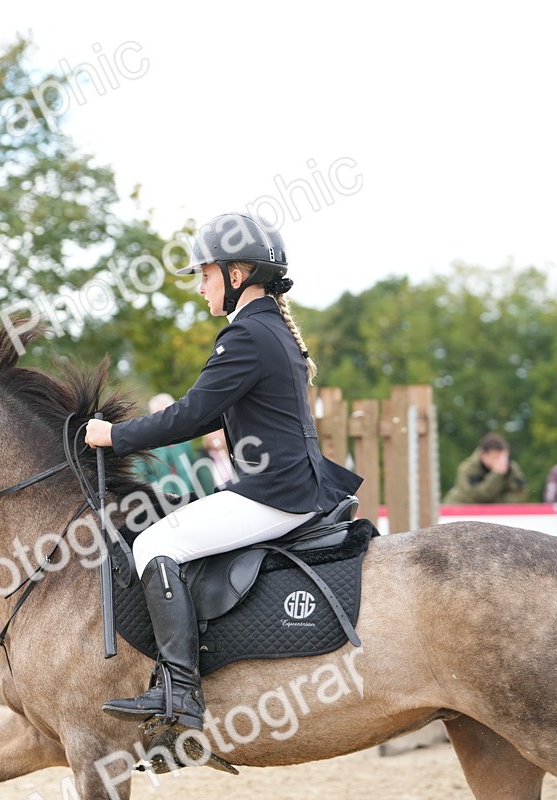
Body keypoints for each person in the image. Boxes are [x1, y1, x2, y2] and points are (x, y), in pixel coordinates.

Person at [85, 213, 362, 736]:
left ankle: (179, 690)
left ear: (238, 275)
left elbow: (189, 413)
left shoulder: (245, 336)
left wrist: (113, 437)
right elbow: (211, 414)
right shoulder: (271, 331)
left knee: (153, 544)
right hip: (294, 485)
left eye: (206, 276)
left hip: (273, 491)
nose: (202, 288)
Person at [135, 394, 201, 496]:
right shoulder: (145, 447)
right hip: (163, 503)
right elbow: (140, 479)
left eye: (167, 414)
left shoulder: (185, 442)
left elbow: (194, 472)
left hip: (190, 497)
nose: (163, 420)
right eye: (158, 415)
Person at [442, 433, 528, 504]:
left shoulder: (511, 468)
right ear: (483, 455)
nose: (501, 462)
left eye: (503, 457)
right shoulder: (467, 468)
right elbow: (476, 498)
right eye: (495, 457)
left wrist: (495, 506)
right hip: (458, 511)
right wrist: (496, 474)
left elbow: (520, 495)